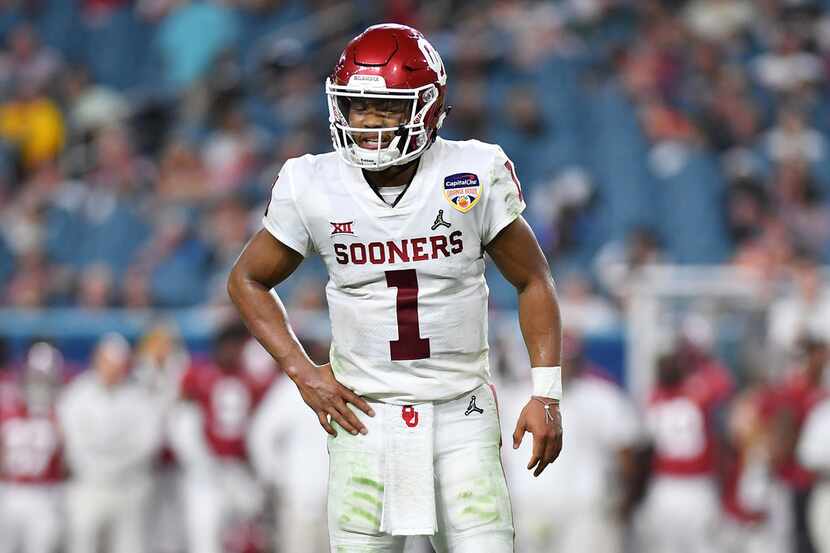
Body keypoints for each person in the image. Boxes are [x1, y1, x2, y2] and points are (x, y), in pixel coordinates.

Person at [228, 23, 564, 553]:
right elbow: (246, 278)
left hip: (460, 413)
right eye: (358, 107)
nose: (368, 124)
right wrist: (301, 371)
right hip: (365, 416)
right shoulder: (312, 182)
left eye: (385, 110)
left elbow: (532, 279)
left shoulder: (472, 172)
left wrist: (546, 394)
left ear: (426, 109)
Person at [58, 333, 163, 553]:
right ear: (97, 359)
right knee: (82, 543)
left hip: (128, 486)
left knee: (130, 545)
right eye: (107, 362)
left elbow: (148, 442)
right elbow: (72, 440)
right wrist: (98, 467)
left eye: (117, 364)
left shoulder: (138, 397)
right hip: (89, 484)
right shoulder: (78, 394)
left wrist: (118, 466)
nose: (111, 369)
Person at [178, 321, 274, 553]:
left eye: (237, 346)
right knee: (205, 538)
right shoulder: (198, 374)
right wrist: (199, 459)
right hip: (206, 471)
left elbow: (260, 425)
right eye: (229, 346)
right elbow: (181, 419)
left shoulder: (250, 378)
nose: (233, 352)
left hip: (240, 470)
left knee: (249, 538)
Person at [0, 342, 65, 553]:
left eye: (45, 379)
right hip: (9, 491)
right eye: (35, 378)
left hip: (45, 493)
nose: (39, 385)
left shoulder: (64, 412)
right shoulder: (7, 407)